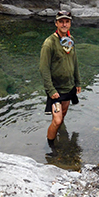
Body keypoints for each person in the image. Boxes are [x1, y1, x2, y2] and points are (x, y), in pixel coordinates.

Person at [39, 10, 81, 149]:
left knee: (63, 114)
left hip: (69, 87)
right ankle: (51, 147)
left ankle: (62, 138)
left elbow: (74, 62)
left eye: (67, 21)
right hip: (55, 89)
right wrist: (50, 90)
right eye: (61, 21)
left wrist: (77, 82)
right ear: (56, 23)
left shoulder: (71, 40)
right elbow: (43, 68)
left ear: (70, 23)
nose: (64, 24)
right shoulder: (49, 43)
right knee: (57, 120)